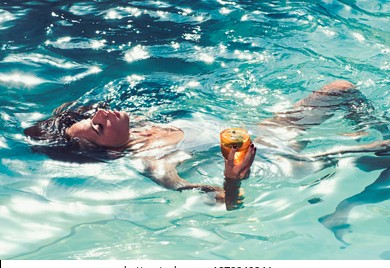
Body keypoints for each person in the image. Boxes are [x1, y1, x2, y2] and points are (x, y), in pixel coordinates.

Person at [24, 80, 390, 210]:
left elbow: (52, 125)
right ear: (103, 149)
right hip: (280, 158)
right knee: (385, 145)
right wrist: (234, 177)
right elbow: (222, 202)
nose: (102, 114)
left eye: (95, 114)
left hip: (268, 129)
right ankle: (368, 155)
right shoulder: (153, 162)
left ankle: (365, 143)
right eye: (95, 126)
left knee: (340, 90)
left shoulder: (145, 123)